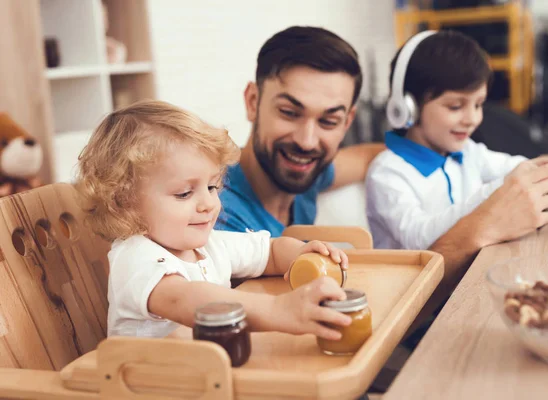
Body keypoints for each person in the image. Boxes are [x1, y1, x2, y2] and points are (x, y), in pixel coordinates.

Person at [75, 100, 352, 340]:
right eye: (184, 193)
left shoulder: (209, 245)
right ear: (125, 202)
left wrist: (303, 256)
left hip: (207, 376)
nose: (208, 204)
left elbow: (269, 252)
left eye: (212, 187)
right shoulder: (136, 259)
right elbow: (187, 299)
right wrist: (278, 310)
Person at [366, 30, 548, 252]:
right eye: (456, 106)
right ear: (408, 107)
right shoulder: (387, 173)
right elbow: (421, 242)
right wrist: (497, 196)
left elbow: (516, 166)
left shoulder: (467, 152)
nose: (472, 119)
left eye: (478, 105)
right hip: (426, 290)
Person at [216, 26, 384, 236]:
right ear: (252, 102)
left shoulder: (307, 172)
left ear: (347, 123)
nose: (307, 142)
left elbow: (368, 157)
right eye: (289, 112)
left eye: (329, 121)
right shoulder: (215, 215)